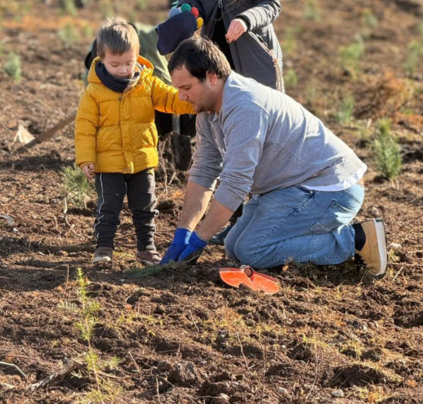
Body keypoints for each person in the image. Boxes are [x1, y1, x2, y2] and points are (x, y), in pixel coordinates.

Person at [158, 36, 387, 275]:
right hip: (292, 186)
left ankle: (355, 240)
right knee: (234, 247)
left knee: (252, 251)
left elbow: (236, 182)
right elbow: (204, 170)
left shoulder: (245, 106)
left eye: (186, 88)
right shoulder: (207, 110)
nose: (182, 97)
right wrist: (183, 232)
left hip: (331, 187)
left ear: (212, 77)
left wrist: (199, 240)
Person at [76, 20, 198, 266]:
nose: (123, 70)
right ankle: (104, 248)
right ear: (101, 58)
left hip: (142, 161)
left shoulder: (147, 83)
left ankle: (146, 248)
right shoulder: (94, 92)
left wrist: (192, 99)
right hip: (107, 163)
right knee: (108, 208)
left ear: (137, 56)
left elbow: (171, 100)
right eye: (115, 64)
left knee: (145, 208)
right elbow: (85, 128)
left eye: (129, 63)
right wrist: (86, 158)